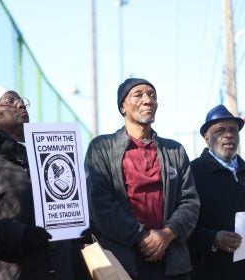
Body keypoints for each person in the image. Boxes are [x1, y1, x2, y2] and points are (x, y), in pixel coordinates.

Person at [84, 78, 200, 279]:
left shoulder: (175, 150)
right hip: (121, 264)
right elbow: (100, 204)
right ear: (122, 107)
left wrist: (167, 233)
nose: (148, 100)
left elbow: (190, 202)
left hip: (172, 263)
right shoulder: (101, 147)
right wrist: (141, 236)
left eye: (153, 96)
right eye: (138, 94)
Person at [0, 86, 88, 280]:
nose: (20, 104)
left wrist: (82, 225)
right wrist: (20, 235)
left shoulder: (46, 158)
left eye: (21, 100)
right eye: (9, 100)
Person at [189, 104, 245, 279]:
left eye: (233, 130)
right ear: (207, 138)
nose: (228, 134)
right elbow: (180, 224)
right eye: (220, 130)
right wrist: (212, 238)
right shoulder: (192, 172)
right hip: (209, 270)